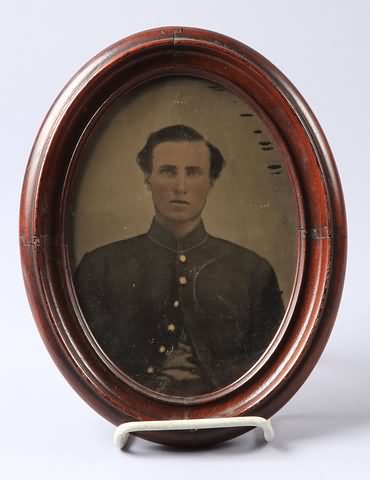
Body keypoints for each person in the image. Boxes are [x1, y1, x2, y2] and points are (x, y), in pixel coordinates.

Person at [74, 124, 284, 396]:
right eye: (167, 171)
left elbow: (271, 367)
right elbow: (87, 363)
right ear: (148, 179)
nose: (180, 187)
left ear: (211, 181)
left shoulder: (253, 272)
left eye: (194, 173)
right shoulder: (100, 268)